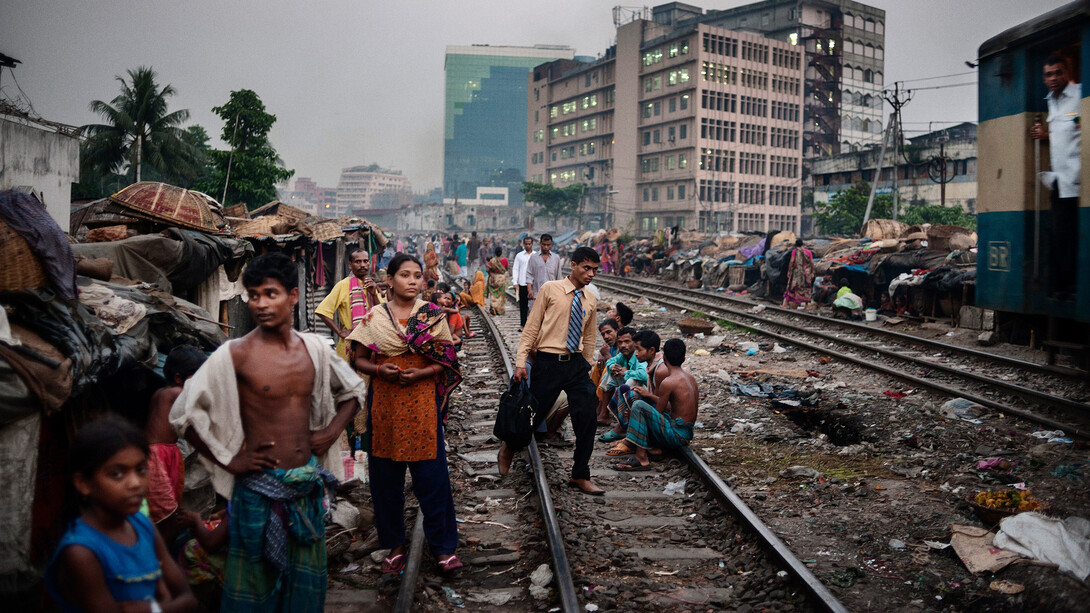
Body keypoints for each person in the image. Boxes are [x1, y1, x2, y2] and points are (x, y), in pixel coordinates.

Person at [170, 253, 366, 612]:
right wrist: (229, 460)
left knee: (305, 593)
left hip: (305, 490)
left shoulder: (314, 350)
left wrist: (330, 433)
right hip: (256, 493)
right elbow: (183, 414)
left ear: (293, 296)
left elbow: (353, 391)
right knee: (254, 591)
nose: (260, 304)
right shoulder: (236, 353)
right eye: (253, 295)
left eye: (270, 294)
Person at [348, 253, 463, 576]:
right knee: (385, 480)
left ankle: (443, 547)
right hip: (385, 404)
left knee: (432, 477)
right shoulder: (375, 317)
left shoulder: (431, 315)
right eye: (405, 275)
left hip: (422, 402)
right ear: (390, 280)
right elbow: (358, 358)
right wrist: (379, 370)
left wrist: (423, 373)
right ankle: (394, 544)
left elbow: (447, 360)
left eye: (417, 276)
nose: (413, 281)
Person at [46, 416, 198, 613]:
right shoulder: (81, 551)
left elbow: (189, 600)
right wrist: (165, 603)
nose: (135, 483)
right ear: (83, 483)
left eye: (141, 470)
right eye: (117, 474)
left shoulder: (143, 525)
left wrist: (152, 609)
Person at [498, 246, 603, 496]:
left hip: (576, 364)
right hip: (548, 362)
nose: (590, 274)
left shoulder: (590, 298)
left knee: (587, 418)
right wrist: (521, 362)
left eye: (595, 270)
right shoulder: (550, 289)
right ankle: (509, 447)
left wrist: (587, 365)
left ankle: (580, 474)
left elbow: (589, 336)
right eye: (586, 268)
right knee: (532, 415)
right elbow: (531, 327)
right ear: (573, 265)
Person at [1031, 53, 1081, 299]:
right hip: (1060, 180)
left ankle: (1071, 287)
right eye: (1048, 74)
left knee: (1071, 234)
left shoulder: (1080, 95)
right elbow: (1065, 133)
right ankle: (1062, 287)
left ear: (1067, 73)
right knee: (1059, 234)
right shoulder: (1051, 101)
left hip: (1079, 179)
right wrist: (1045, 136)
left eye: (1058, 73)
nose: (1053, 78)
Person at [146, 345, 206, 544]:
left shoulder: (161, 393)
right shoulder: (176, 393)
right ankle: (159, 555)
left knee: (167, 511)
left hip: (164, 454)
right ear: (179, 378)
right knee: (166, 518)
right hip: (158, 457)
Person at [613, 339, 698, 470]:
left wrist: (635, 416)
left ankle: (641, 458)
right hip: (687, 433)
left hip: (676, 435)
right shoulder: (691, 378)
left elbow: (657, 412)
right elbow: (672, 407)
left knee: (638, 406)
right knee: (645, 402)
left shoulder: (668, 382)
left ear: (664, 358)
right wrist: (649, 395)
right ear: (684, 359)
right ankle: (654, 449)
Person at [316, 247, 382, 362]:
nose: (363, 265)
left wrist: (374, 295)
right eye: (358, 262)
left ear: (369, 263)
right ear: (350, 265)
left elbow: (382, 314)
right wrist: (339, 332)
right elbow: (322, 311)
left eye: (365, 261)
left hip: (373, 342)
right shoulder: (343, 285)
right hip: (350, 344)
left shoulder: (371, 284)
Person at [595, 327, 649, 445]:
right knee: (609, 375)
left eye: (627, 342)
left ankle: (622, 427)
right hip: (630, 392)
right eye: (620, 342)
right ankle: (604, 414)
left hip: (644, 395)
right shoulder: (623, 355)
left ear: (634, 343)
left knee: (631, 380)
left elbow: (644, 375)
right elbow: (610, 362)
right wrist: (613, 367)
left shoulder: (639, 356)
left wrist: (626, 372)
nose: (623, 345)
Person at [591, 318, 620, 424]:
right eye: (603, 334)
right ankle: (593, 402)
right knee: (597, 366)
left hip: (622, 378)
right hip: (614, 380)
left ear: (617, 330)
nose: (606, 337)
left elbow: (616, 367)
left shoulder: (623, 345)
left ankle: (603, 411)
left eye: (609, 332)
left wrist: (606, 355)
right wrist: (602, 355)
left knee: (606, 372)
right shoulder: (610, 346)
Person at [527, 233, 563, 313]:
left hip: (552, 294)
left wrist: (559, 293)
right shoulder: (533, 257)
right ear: (540, 244)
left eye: (548, 245)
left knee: (550, 316)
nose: (546, 247)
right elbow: (529, 275)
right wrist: (530, 290)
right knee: (535, 316)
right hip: (536, 294)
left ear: (551, 245)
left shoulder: (556, 258)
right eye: (544, 244)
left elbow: (558, 277)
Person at [782, 239, 814, 308]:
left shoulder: (795, 251)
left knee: (791, 287)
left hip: (796, 273)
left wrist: (789, 271)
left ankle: (785, 304)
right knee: (806, 288)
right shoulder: (808, 252)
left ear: (796, 245)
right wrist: (812, 272)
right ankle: (806, 306)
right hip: (806, 273)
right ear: (802, 244)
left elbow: (792, 261)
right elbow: (811, 262)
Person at [511, 236, 534, 327]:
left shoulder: (536, 255)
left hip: (533, 284)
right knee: (523, 305)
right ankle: (523, 324)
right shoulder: (519, 256)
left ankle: (533, 325)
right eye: (526, 244)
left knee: (534, 305)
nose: (528, 245)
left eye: (529, 244)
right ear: (523, 244)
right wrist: (515, 282)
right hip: (523, 283)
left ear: (532, 244)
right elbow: (515, 269)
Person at [486, 246, 509, 315]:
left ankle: (493, 307)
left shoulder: (492, 261)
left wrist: (491, 274)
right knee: (501, 294)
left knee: (493, 294)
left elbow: (487, 269)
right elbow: (506, 268)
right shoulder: (505, 260)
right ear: (501, 253)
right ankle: (499, 309)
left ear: (495, 253)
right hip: (501, 279)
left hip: (493, 279)